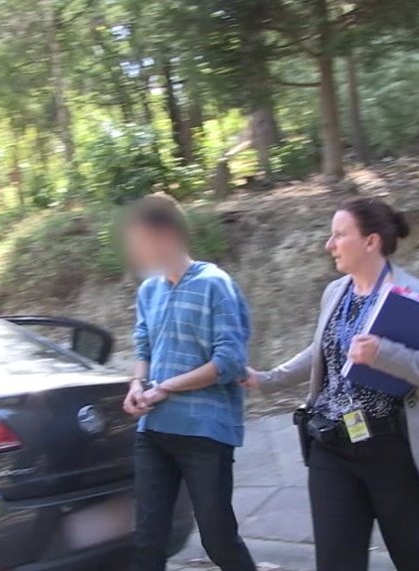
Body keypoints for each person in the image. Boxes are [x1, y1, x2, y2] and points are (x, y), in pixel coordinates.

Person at [244, 197, 419, 571]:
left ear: (371, 241)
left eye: (339, 235)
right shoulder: (336, 292)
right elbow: (321, 349)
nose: (328, 244)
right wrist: (268, 380)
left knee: (417, 559)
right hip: (332, 447)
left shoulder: (418, 296)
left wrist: (387, 354)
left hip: (398, 452)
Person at [121, 193, 257, 571]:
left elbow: (229, 361)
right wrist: (138, 385)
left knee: (217, 539)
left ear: (165, 235)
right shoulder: (148, 290)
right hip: (154, 430)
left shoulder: (215, 283)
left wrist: (166, 387)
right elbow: (143, 346)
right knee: (147, 540)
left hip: (204, 431)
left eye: (140, 243)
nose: (136, 253)